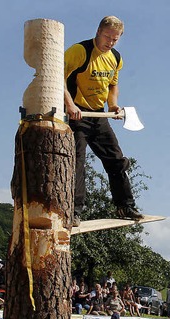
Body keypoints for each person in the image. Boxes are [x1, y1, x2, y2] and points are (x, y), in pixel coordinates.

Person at [64, 15, 143, 226]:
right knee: (76, 163)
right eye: (107, 36)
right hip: (76, 114)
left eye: (115, 39)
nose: (110, 42)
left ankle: (125, 206)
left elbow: (112, 85)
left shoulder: (116, 58)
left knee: (116, 160)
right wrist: (70, 105)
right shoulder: (80, 51)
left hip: (98, 115)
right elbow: (57, 76)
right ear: (98, 31)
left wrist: (113, 105)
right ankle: (74, 211)